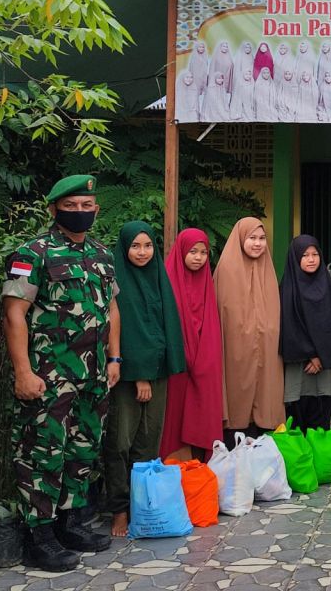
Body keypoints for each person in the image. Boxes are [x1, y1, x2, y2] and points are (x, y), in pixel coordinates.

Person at [1, 175, 118, 571]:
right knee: (42, 454)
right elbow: (14, 313)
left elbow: (111, 310)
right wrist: (23, 371)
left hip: (93, 375)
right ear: (53, 209)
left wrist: (114, 360)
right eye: (72, 206)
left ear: (96, 210)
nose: (81, 212)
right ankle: (41, 537)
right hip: (49, 376)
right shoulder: (32, 253)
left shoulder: (102, 255)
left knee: (84, 449)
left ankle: (71, 524)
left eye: (88, 205)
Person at [105, 221, 187, 537]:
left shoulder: (158, 276)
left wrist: (155, 371)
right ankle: (119, 510)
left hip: (158, 372)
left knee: (148, 443)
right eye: (135, 246)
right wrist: (140, 375)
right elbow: (127, 328)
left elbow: (165, 323)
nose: (142, 252)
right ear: (124, 248)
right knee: (120, 442)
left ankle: (144, 507)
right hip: (127, 373)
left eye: (148, 246)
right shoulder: (118, 279)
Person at [215, 217, 284, 438]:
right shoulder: (226, 270)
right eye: (252, 238)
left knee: (265, 396)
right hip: (235, 351)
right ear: (241, 238)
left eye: (262, 238)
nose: (257, 243)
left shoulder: (268, 270)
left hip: (266, 349)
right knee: (238, 398)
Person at [159, 228, 225, 462]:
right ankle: (173, 469)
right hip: (176, 364)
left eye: (204, 252)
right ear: (181, 252)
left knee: (202, 410)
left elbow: (211, 325)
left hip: (203, 361)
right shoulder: (167, 280)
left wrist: (202, 358)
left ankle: (199, 469)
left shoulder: (208, 282)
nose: (198, 257)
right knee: (174, 418)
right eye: (193, 251)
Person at [279, 235, 331, 430]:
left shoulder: (328, 287)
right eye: (305, 255)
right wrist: (311, 354)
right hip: (299, 366)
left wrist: (321, 355)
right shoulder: (288, 289)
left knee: (322, 415)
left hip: (323, 364)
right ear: (295, 258)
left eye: (315, 254)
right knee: (297, 414)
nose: (311, 259)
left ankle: (320, 457)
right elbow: (289, 325)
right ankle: (301, 459)